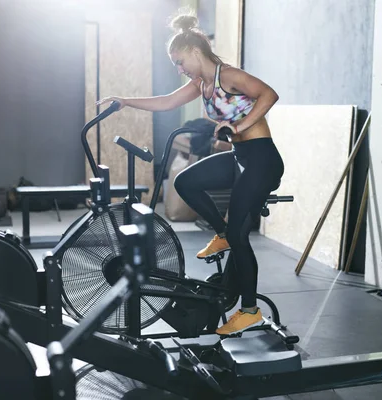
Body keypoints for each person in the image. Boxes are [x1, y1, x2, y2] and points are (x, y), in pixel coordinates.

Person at [97, 11, 284, 335]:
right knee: (187, 182)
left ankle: (250, 310)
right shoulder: (201, 84)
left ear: (196, 52)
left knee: (242, 237)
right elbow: (167, 102)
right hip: (240, 156)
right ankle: (223, 232)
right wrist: (124, 101)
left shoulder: (230, 76)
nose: (180, 69)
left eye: (181, 62)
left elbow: (269, 94)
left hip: (262, 159)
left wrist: (238, 125)